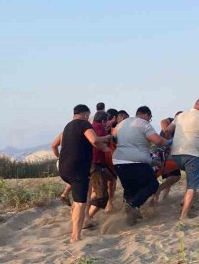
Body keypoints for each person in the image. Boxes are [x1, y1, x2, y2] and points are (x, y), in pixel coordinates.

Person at [57, 104, 111, 243]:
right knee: (81, 203)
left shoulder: (67, 126)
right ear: (86, 114)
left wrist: (102, 148)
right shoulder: (84, 123)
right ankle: (75, 237)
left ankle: (78, 222)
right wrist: (107, 137)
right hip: (78, 168)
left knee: (80, 198)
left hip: (64, 168)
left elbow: (55, 144)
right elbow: (94, 139)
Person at [113, 106, 169, 225]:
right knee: (153, 185)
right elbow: (158, 141)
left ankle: (129, 220)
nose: (149, 120)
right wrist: (169, 142)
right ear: (146, 115)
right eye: (150, 118)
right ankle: (134, 206)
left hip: (118, 162)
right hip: (136, 163)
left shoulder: (121, 124)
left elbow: (115, 139)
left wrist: (153, 161)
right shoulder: (143, 124)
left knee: (130, 190)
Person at [87, 110, 114, 226]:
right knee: (102, 196)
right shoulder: (99, 128)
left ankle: (85, 214)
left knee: (111, 179)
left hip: (93, 163)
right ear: (103, 121)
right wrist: (108, 145)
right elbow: (98, 142)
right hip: (96, 164)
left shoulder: (91, 127)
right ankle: (88, 217)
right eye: (107, 121)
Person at [152, 112, 183, 204]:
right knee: (174, 176)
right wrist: (169, 138)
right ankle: (156, 193)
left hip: (169, 156)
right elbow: (163, 123)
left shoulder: (182, 129)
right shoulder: (170, 121)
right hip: (161, 154)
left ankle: (163, 198)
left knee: (172, 176)